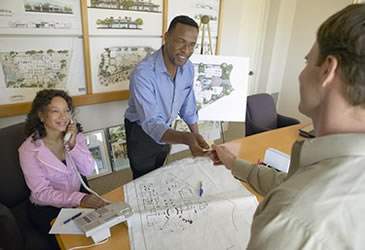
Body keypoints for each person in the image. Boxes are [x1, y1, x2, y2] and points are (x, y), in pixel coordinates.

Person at [210, 4, 365, 249]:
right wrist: (233, 162)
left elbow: (296, 195)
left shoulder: (291, 223)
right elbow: (291, 183)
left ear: (327, 70)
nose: (301, 74)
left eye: (306, 62)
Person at [19, 89, 106, 249]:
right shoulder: (28, 150)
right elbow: (41, 193)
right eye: (55, 111)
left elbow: (88, 170)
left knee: (101, 232)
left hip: (79, 196)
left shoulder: (74, 136)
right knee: (72, 243)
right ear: (41, 115)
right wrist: (78, 198)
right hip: (48, 207)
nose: (63, 117)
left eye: (66, 110)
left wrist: (73, 145)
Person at [124, 15, 209, 179]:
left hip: (167, 128)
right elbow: (151, 123)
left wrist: (198, 139)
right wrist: (187, 138)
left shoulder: (188, 67)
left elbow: (188, 107)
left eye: (192, 45)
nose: (186, 50)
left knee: (159, 170)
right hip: (142, 131)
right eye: (180, 42)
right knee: (143, 179)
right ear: (166, 37)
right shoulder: (143, 73)